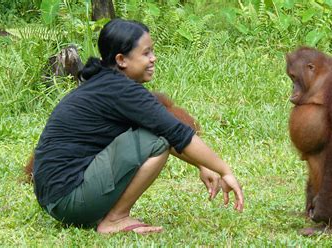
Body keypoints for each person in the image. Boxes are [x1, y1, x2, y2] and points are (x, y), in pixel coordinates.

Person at [33, 18, 244, 234]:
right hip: (69, 199)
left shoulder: (106, 83)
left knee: (157, 134)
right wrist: (224, 170)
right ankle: (115, 219)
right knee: (157, 139)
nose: (154, 58)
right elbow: (174, 132)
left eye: (152, 51)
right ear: (121, 59)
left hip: (56, 198)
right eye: (146, 53)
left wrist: (202, 165)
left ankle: (109, 214)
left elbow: (167, 130)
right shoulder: (122, 90)